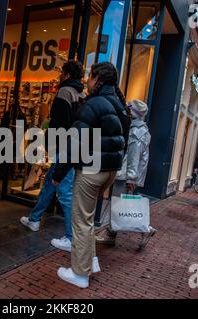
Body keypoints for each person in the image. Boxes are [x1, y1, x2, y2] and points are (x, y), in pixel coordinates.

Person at [53, 62, 126, 288]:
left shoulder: (92, 105)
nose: (87, 80)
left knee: (81, 221)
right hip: (110, 170)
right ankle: (90, 261)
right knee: (89, 219)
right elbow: (124, 141)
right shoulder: (120, 105)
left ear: (98, 79)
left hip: (91, 170)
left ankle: (80, 274)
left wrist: (59, 172)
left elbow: (74, 143)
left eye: (89, 76)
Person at [20, 60, 86, 252]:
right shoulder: (81, 93)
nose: (59, 76)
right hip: (74, 145)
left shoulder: (65, 92)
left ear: (66, 74)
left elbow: (58, 122)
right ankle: (34, 219)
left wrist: (51, 143)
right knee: (50, 182)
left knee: (64, 191)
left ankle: (71, 237)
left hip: (64, 146)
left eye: (61, 73)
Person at [95, 99, 156, 249]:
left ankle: (145, 229)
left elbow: (134, 157)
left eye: (128, 109)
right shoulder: (139, 128)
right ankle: (111, 233)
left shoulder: (136, 131)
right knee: (119, 204)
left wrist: (131, 177)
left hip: (125, 174)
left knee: (119, 205)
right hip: (125, 173)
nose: (125, 111)